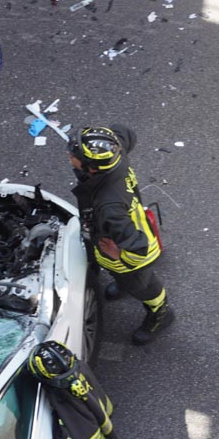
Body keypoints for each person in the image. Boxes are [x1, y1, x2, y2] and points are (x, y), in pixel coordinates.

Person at [68, 124, 173, 345]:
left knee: (143, 286)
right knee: (122, 276)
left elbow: (139, 249)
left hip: (129, 255)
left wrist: (119, 256)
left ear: (92, 168)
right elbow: (126, 133)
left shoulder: (109, 207)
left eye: (74, 155)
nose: (70, 156)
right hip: (119, 234)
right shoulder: (116, 153)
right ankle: (123, 282)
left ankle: (160, 313)